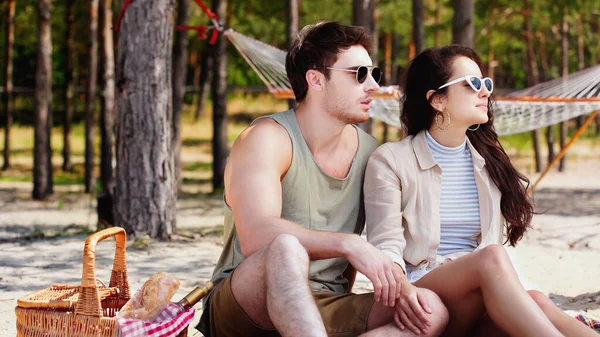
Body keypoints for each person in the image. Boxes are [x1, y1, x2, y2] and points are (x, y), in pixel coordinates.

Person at [196, 22, 449, 337]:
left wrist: (401, 285)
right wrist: (348, 244)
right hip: (245, 305)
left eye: (374, 74)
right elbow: (257, 234)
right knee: (285, 248)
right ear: (315, 79)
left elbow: (391, 236)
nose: (373, 86)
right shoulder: (267, 139)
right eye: (358, 74)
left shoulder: (373, 153)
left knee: (429, 309)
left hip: (324, 306)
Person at [364, 44, 598, 337]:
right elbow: (385, 246)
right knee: (491, 256)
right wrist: (405, 289)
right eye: (472, 84)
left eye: (486, 83)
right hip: (418, 295)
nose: (485, 91)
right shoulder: (391, 160)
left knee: (536, 300)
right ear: (437, 100)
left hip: (477, 295)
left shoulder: (487, 163)